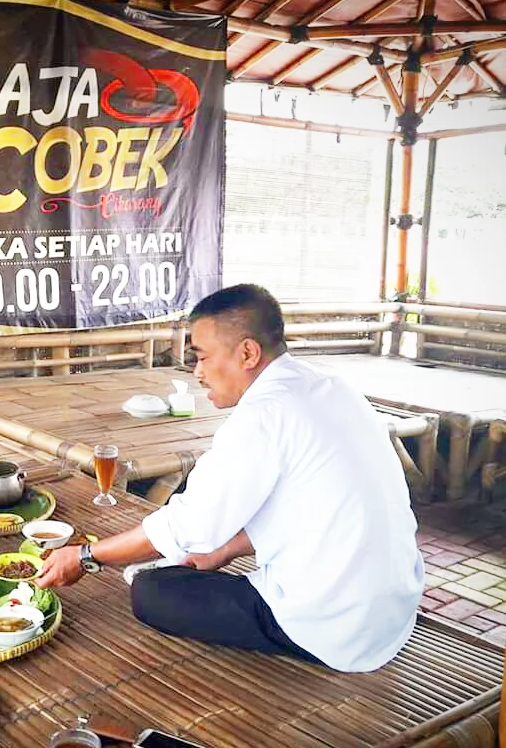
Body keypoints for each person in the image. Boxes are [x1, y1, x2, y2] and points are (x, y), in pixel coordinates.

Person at [36, 284, 424, 672]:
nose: (198, 372)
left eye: (202, 357)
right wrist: (222, 552)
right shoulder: (331, 388)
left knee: (151, 591)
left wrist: (86, 556)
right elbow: (306, 508)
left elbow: (187, 526)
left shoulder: (262, 416)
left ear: (248, 353)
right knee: (191, 560)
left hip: (333, 626)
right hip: (394, 609)